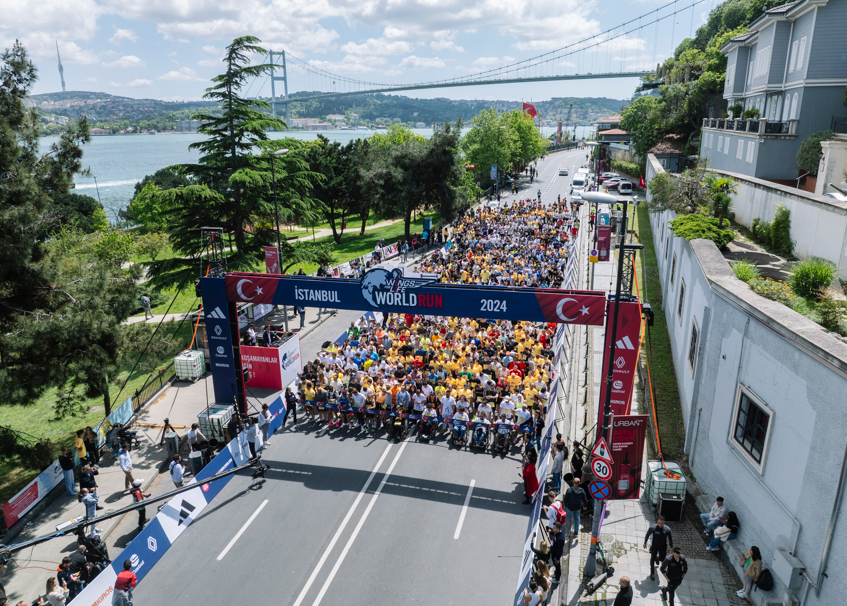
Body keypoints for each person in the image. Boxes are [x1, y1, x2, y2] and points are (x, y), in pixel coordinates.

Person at [643, 515, 674, 580]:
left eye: (662, 523)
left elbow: (670, 538)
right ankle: (652, 573)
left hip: (663, 546)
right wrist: (645, 543)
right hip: (655, 545)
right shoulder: (653, 528)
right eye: (659, 523)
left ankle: (657, 558)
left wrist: (671, 547)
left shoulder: (667, 529)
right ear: (657, 522)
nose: (660, 524)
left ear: (664, 523)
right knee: (652, 559)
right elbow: (647, 535)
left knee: (662, 559)